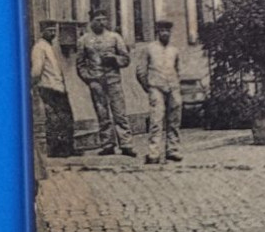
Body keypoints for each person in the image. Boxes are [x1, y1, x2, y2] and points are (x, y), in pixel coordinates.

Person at [75, 11, 136, 157]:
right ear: (91, 21)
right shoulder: (84, 40)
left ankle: (126, 144)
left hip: (113, 80)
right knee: (102, 114)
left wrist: (115, 58)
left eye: (104, 19)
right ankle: (107, 144)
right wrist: (89, 80)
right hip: (96, 81)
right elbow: (80, 64)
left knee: (119, 112)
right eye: (98, 20)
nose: (101, 23)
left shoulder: (114, 37)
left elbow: (126, 59)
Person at [133, 20, 184, 164]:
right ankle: (153, 152)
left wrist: (175, 84)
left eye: (167, 31)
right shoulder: (149, 49)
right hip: (156, 88)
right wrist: (149, 87)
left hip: (173, 87)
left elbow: (178, 69)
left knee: (174, 120)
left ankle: (172, 150)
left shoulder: (174, 50)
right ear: (157, 32)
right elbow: (141, 71)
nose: (165, 33)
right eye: (162, 31)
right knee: (156, 119)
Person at [29, 20, 74, 158]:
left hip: (58, 87)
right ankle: (56, 150)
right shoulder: (39, 47)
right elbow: (37, 70)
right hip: (49, 87)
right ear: (43, 32)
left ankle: (66, 149)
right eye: (50, 30)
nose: (53, 33)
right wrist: (33, 84)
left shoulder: (50, 46)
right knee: (54, 120)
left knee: (65, 119)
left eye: (54, 30)